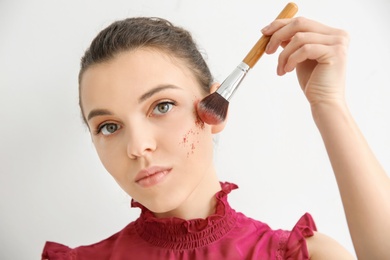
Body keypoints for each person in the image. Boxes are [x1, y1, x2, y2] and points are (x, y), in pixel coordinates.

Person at [41, 14, 388, 259]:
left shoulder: (300, 256)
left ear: (215, 107)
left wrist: (329, 106)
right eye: (109, 126)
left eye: (162, 106)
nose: (137, 147)